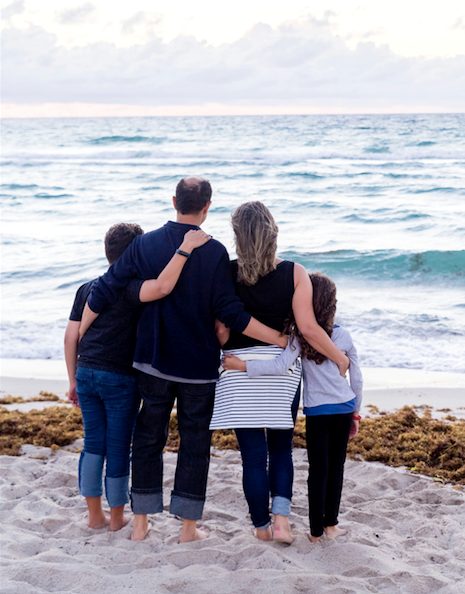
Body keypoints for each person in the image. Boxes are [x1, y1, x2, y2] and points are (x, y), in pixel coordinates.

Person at [81, 178, 287, 543]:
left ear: (174, 201)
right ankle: (188, 529)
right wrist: (280, 339)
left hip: (152, 361)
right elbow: (230, 312)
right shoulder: (215, 251)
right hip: (197, 367)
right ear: (207, 206)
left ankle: (140, 523)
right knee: (194, 445)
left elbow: (107, 288)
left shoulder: (144, 244)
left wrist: (81, 332)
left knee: (148, 439)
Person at [209, 202, 349, 544]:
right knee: (281, 448)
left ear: (237, 236)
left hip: (238, 371)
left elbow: (221, 332)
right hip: (281, 371)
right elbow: (309, 328)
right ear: (273, 233)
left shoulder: (226, 272)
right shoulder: (295, 273)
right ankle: (282, 521)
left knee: (253, 457)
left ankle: (261, 527)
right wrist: (338, 358)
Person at [64, 222, 211, 532]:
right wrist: (185, 249)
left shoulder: (87, 288)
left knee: (93, 444)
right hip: (119, 378)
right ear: (137, 253)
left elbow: (70, 336)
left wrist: (72, 380)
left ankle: (94, 516)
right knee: (118, 447)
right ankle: (117, 518)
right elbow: (162, 287)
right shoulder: (132, 289)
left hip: (86, 372)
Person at [224, 272, 363, 543]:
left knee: (317, 470)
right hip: (344, 408)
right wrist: (356, 412)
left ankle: (315, 533)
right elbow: (356, 378)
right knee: (336, 468)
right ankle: (331, 526)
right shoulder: (343, 336)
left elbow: (279, 366)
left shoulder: (299, 337)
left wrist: (242, 365)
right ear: (332, 304)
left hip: (317, 412)